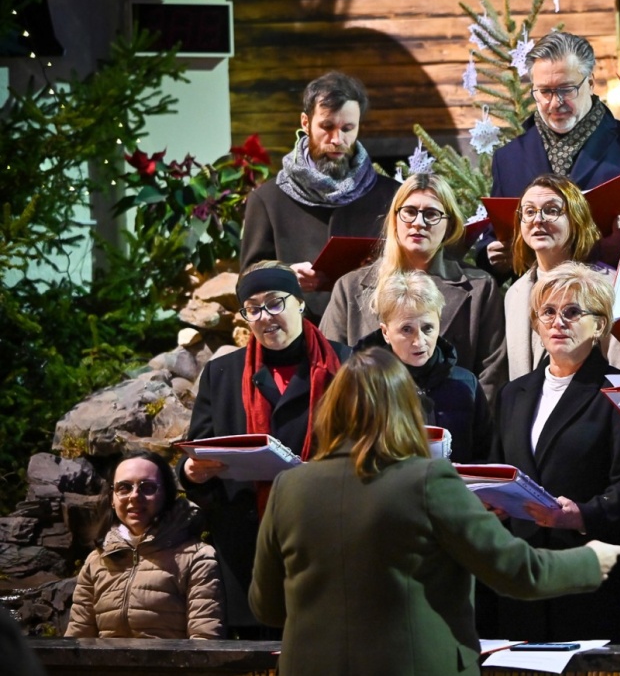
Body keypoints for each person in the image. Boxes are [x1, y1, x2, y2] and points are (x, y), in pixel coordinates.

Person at [250, 347, 620, 676]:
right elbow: (517, 572)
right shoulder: (429, 480)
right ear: (404, 409)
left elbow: (266, 605)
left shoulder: (290, 487)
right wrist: (591, 561)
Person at [181, 262, 351, 635]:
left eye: (275, 303)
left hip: (329, 537)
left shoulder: (347, 365)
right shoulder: (222, 373)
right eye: (253, 308)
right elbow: (200, 448)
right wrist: (191, 472)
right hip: (250, 546)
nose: (265, 317)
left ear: (301, 304)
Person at [490, 262, 620, 643]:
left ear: (599, 325)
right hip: (523, 570)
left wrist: (582, 515)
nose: (557, 322)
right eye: (547, 312)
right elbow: (498, 469)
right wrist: (491, 502)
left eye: (572, 312)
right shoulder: (512, 394)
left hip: (588, 572)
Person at [482, 32, 620, 277]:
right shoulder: (509, 158)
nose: (555, 103)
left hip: (610, 302)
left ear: (589, 83)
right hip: (537, 303)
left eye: (566, 89)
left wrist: (615, 254)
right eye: (544, 91)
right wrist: (496, 258)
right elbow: (493, 240)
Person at [320, 173, 506, 403]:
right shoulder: (350, 287)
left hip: (450, 423)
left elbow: (492, 371)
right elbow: (329, 366)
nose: (419, 223)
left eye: (431, 214)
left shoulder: (479, 287)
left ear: (449, 226)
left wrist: (472, 424)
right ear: (395, 219)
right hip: (371, 424)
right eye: (409, 212)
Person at [241, 71, 399, 321]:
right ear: (305, 123)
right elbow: (248, 280)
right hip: (302, 337)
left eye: (348, 128)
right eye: (327, 127)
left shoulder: (390, 194)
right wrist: (285, 277)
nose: (337, 139)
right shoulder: (268, 199)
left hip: (375, 335)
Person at [67, 451, 223, 639]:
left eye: (147, 487)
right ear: (112, 499)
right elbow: (77, 643)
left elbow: (205, 644)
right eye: (124, 487)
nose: (134, 496)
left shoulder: (197, 558)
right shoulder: (96, 561)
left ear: (167, 494)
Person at [506, 173, 620, 377]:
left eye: (551, 210)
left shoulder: (610, 285)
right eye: (529, 211)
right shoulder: (515, 292)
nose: (538, 220)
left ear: (576, 219)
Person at [353, 270, 492, 463]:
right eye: (406, 330)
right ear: (385, 332)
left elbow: (484, 455)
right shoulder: (364, 383)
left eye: (428, 328)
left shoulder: (466, 384)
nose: (419, 342)